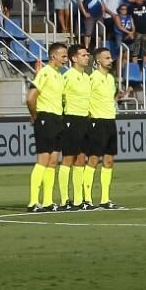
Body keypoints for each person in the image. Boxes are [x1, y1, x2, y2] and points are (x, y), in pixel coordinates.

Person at [25, 41, 69, 212]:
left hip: (58, 118)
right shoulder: (45, 73)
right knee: (43, 160)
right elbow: (30, 98)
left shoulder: (59, 75)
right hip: (46, 118)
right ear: (54, 56)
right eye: (63, 56)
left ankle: (48, 201)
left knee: (53, 161)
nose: (66, 60)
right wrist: (35, 116)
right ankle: (33, 202)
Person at [60, 45, 98, 210]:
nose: (87, 57)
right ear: (74, 58)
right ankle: (64, 200)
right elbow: (58, 96)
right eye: (83, 55)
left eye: (87, 55)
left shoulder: (86, 77)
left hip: (85, 119)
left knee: (81, 159)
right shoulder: (67, 76)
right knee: (68, 158)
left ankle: (78, 200)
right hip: (71, 118)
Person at [88, 48, 121, 208]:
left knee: (109, 160)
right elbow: (85, 98)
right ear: (99, 61)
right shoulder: (93, 78)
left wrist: (118, 98)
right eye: (107, 58)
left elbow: (108, 98)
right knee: (94, 158)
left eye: (110, 57)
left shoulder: (110, 78)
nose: (110, 60)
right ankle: (86, 199)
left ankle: (105, 199)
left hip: (110, 120)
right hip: (97, 121)